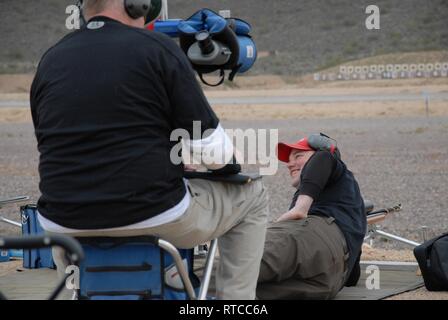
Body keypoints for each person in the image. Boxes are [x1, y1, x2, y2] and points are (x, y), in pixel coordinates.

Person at [30, 0, 268, 300]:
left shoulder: (50, 59)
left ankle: (81, 292)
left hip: (62, 223)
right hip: (155, 214)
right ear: (136, 4)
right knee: (254, 195)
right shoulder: (157, 48)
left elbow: (62, 144)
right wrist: (222, 168)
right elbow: (215, 152)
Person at [256, 134, 366, 299]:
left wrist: (299, 208)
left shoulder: (334, 166)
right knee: (238, 292)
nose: (289, 164)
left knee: (230, 269)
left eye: (298, 156)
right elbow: (353, 278)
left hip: (315, 236)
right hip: (328, 283)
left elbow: (324, 157)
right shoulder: (345, 195)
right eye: (288, 160)